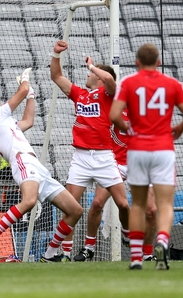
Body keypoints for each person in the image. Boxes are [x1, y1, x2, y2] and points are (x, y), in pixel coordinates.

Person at [0, 68, 84, 263]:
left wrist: (31, 94)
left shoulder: (4, 124)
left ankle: (49, 255)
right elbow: (21, 91)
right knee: (29, 201)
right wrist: (25, 80)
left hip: (36, 166)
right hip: (23, 162)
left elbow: (29, 121)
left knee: (75, 211)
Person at [49, 40, 130, 262]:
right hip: (81, 158)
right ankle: (64, 253)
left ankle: (126, 233)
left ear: (99, 76)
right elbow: (57, 77)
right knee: (71, 207)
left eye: (94, 74)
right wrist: (56, 55)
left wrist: (92, 66)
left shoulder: (109, 95)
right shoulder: (80, 95)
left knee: (123, 203)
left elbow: (110, 79)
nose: (88, 76)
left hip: (104, 157)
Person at [110, 43, 183, 270]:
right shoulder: (172, 84)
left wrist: (127, 128)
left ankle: (135, 258)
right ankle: (162, 241)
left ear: (136, 62)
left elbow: (114, 115)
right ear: (159, 62)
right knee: (164, 205)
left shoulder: (128, 83)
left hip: (138, 150)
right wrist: (180, 128)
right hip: (163, 150)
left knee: (139, 205)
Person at [65, 110, 159, 262]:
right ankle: (89, 247)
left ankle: (147, 253)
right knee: (96, 204)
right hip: (113, 162)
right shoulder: (113, 105)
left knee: (151, 210)